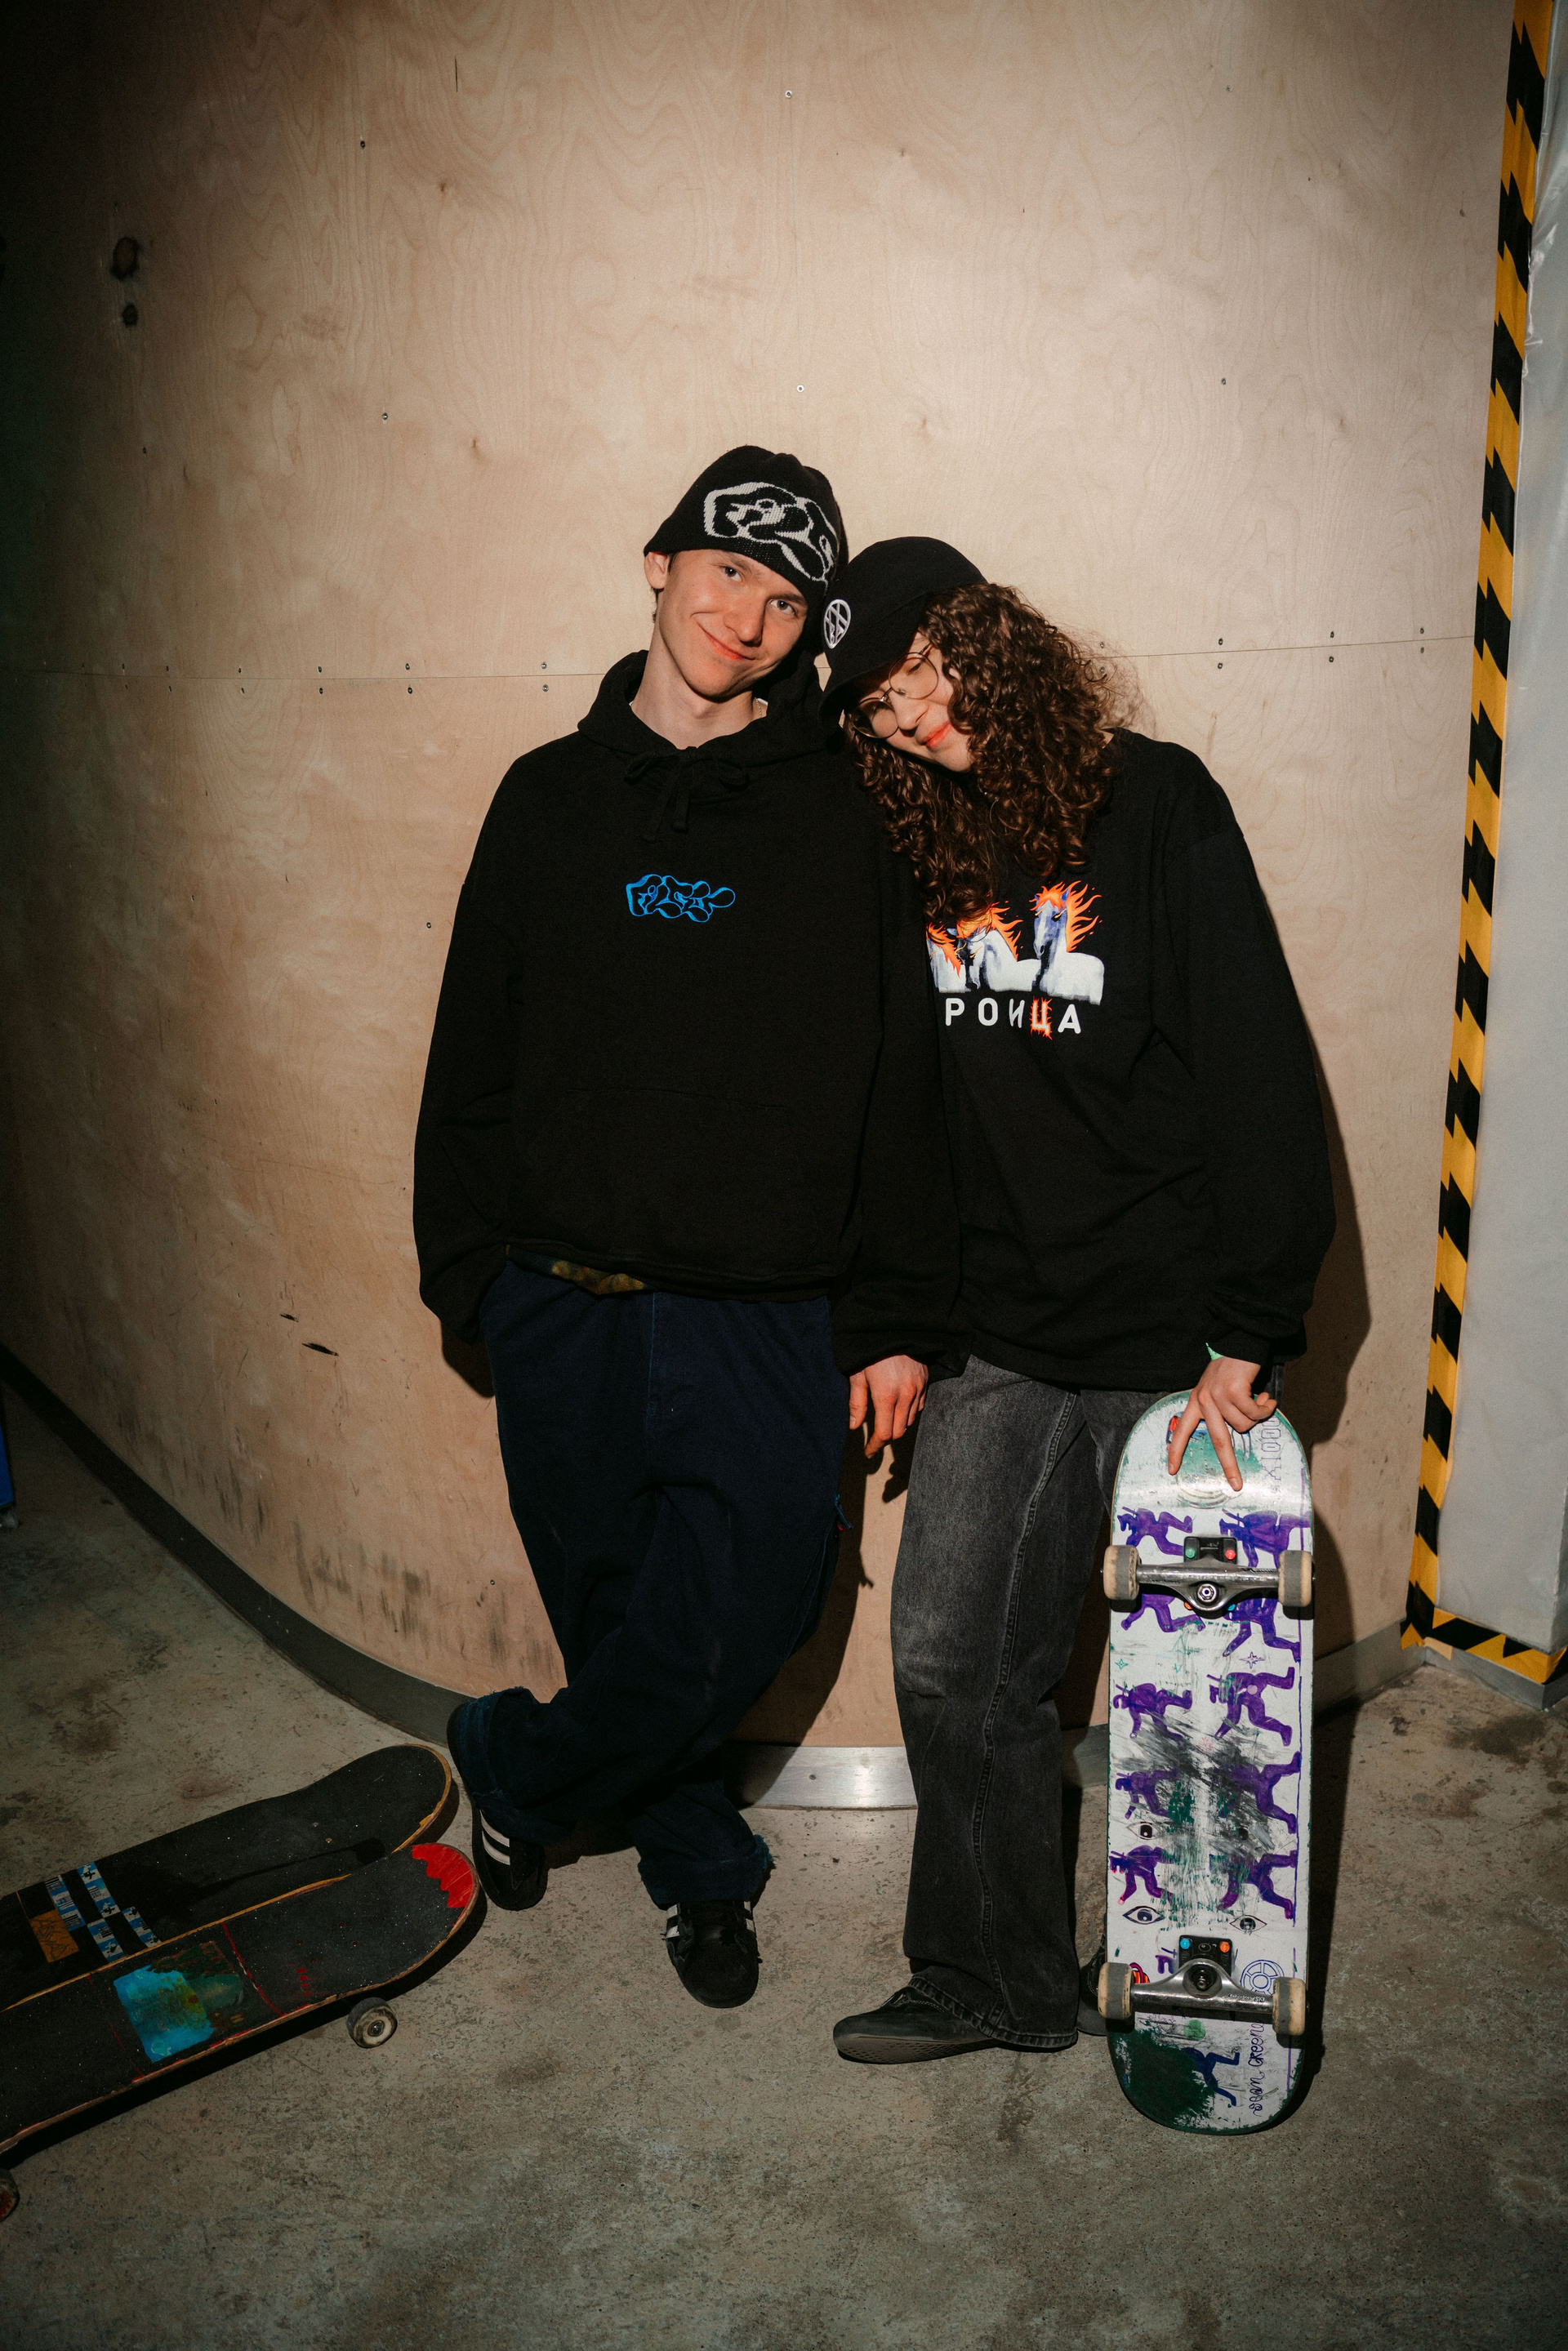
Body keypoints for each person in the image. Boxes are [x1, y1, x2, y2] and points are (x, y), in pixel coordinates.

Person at [413, 456, 958, 2011]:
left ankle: (514, 1760)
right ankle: (700, 1862)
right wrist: (469, 1272)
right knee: (613, 1606)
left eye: (787, 601)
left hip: (763, 1307)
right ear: (660, 564)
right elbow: (474, 1045)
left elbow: (898, 1079)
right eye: (728, 573)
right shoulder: (546, 794)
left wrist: (894, 1314)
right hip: (560, 1293)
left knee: (759, 1595)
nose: (750, 617)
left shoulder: (843, 813)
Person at [816, 538, 1334, 2063]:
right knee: (949, 1663)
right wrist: (895, 1319)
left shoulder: (1157, 805)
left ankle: (1198, 1968)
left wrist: (1251, 1326)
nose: (910, 718)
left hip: (1173, 1342)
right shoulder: (915, 843)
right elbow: (901, 1110)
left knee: (1194, 1699)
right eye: (879, 708)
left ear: (992, 642)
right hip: (998, 1332)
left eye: (923, 674)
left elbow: (1257, 1069)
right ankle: (998, 1979)